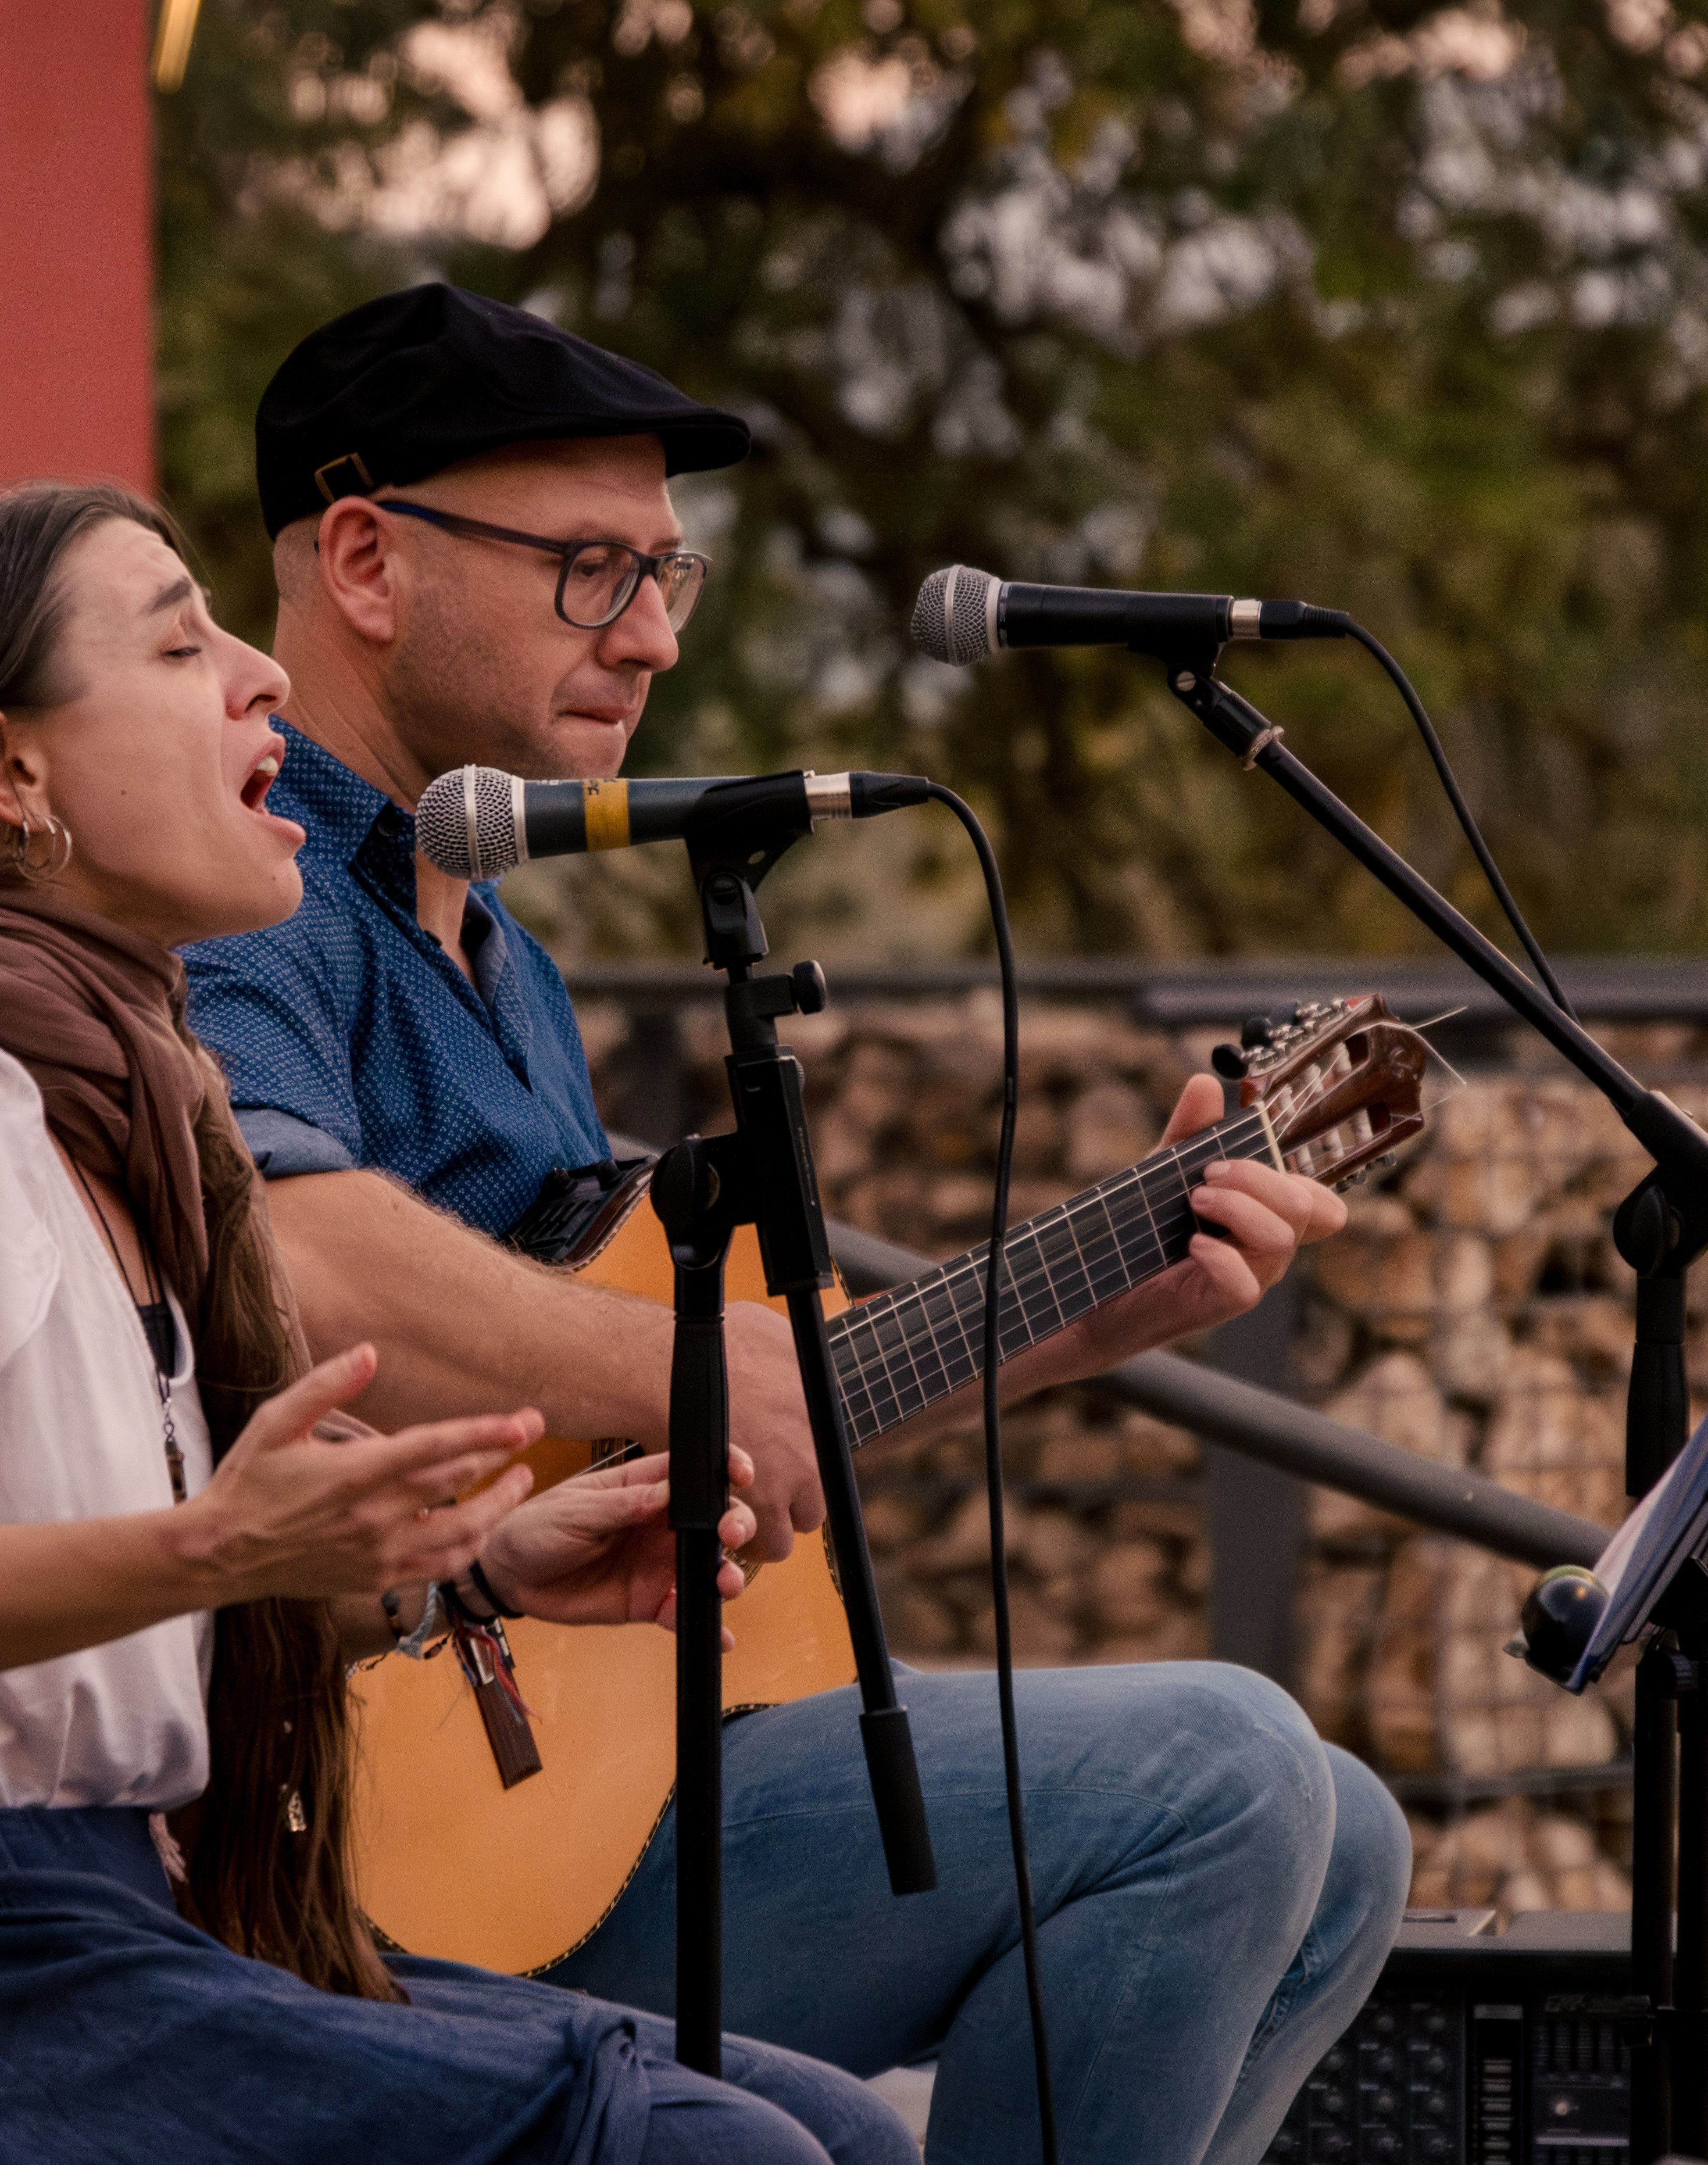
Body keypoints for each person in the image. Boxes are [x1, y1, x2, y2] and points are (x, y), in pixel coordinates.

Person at [0, 480, 915, 2165]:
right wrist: (208, 1547)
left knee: (829, 2128)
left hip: (96, 1927)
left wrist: (467, 1575)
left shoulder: (128, 1113)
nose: (262, 676)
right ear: (9, 771)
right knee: (720, 2154)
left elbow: (89, 1616)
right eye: (181, 643)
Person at [180, 284, 1415, 2165]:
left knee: (1348, 1837)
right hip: (369, 1803)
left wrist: (1096, 1306)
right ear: (364, 558)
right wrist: (690, 1360)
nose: (659, 635)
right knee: (1224, 1773)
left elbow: (656, 1424)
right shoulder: (254, 907)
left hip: (605, 1781)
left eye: (670, 574)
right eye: (597, 572)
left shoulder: (503, 956)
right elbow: (287, 1254)